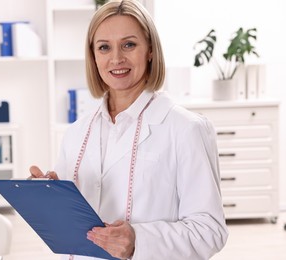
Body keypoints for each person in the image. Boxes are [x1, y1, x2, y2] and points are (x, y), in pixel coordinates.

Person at [30, 0, 229, 259]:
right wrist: (51, 199)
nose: (116, 58)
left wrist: (139, 241)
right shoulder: (76, 133)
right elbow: (73, 225)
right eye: (104, 47)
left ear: (150, 51)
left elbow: (210, 231)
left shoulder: (186, 129)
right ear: (93, 56)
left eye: (129, 44)